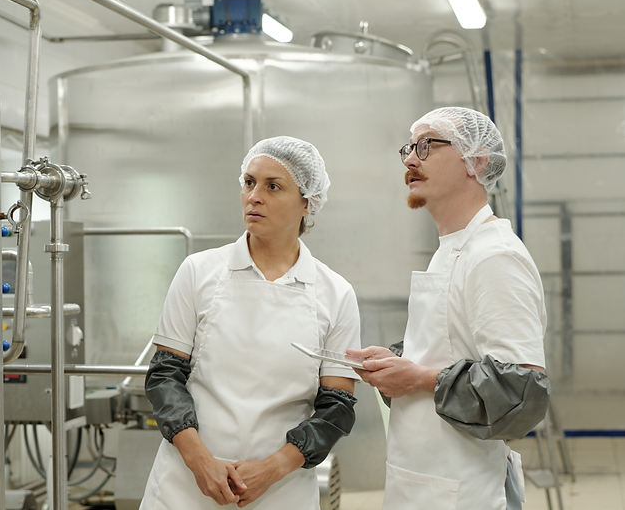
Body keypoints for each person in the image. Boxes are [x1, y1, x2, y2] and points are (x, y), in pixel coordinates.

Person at [140, 137, 361, 509]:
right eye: (248, 182)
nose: (254, 196)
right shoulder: (198, 271)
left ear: (307, 203)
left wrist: (273, 468)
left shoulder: (335, 293)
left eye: (273, 186)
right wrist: (200, 462)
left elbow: (337, 405)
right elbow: (164, 377)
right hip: (186, 486)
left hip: (280, 491)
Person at [348, 107, 551, 510]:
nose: (410, 159)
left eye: (427, 146)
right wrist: (397, 362)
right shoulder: (451, 251)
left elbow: (521, 394)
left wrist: (420, 378)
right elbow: (456, 351)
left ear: (475, 161)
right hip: (424, 481)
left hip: (468, 491)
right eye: (408, 148)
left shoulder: (494, 256)